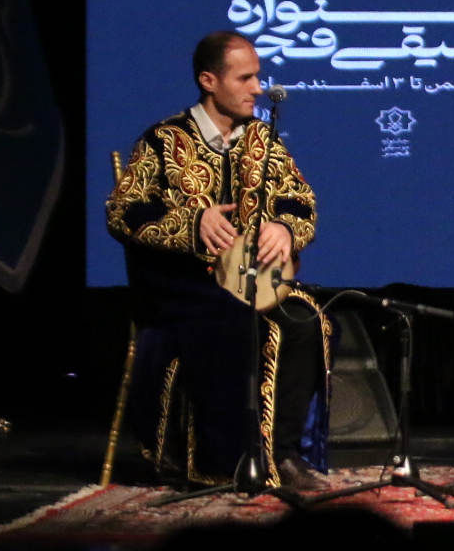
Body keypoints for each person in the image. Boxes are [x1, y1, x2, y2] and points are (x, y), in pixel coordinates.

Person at [106, 31, 328, 488]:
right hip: (181, 285)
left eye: (258, 77)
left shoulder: (263, 139)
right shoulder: (164, 140)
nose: (257, 88)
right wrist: (192, 223)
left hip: (249, 279)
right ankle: (226, 458)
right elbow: (123, 212)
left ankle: (282, 453)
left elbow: (300, 201)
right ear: (209, 81)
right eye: (245, 78)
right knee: (234, 320)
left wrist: (284, 228)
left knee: (308, 320)